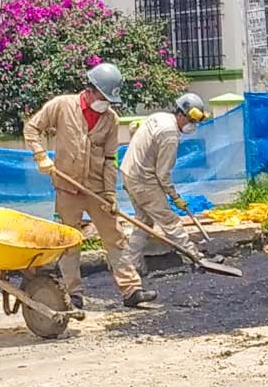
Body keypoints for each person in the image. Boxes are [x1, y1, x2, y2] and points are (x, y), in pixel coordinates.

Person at [24, 62, 140, 310]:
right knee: (69, 241)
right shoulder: (62, 106)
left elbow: (110, 159)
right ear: (91, 89)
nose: (105, 103)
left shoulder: (110, 119)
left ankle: (131, 290)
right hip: (67, 187)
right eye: (103, 97)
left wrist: (109, 192)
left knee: (115, 236)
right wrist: (40, 155)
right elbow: (32, 128)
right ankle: (72, 293)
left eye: (110, 99)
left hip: (96, 189)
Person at [118, 93, 212, 307]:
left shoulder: (159, 117)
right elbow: (162, 175)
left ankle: (126, 268)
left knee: (143, 224)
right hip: (144, 180)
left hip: (129, 173)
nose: (192, 126)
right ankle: (196, 258)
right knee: (169, 221)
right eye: (191, 121)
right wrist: (175, 197)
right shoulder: (170, 134)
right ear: (181, 115)